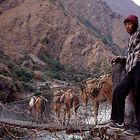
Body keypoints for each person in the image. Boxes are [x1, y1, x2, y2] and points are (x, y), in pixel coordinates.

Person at [109, 15, 140, 136]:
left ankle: (138, 126)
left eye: (129, 24)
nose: (127, 26)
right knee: (118, 90)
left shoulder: (138, 33)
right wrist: (120, 59)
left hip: (139, 67)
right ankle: (118, 121)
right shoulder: (131, 37)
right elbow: (131, 56)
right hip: (132, 69)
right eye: (125, 24)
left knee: (139, 96)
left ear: (135, 24)